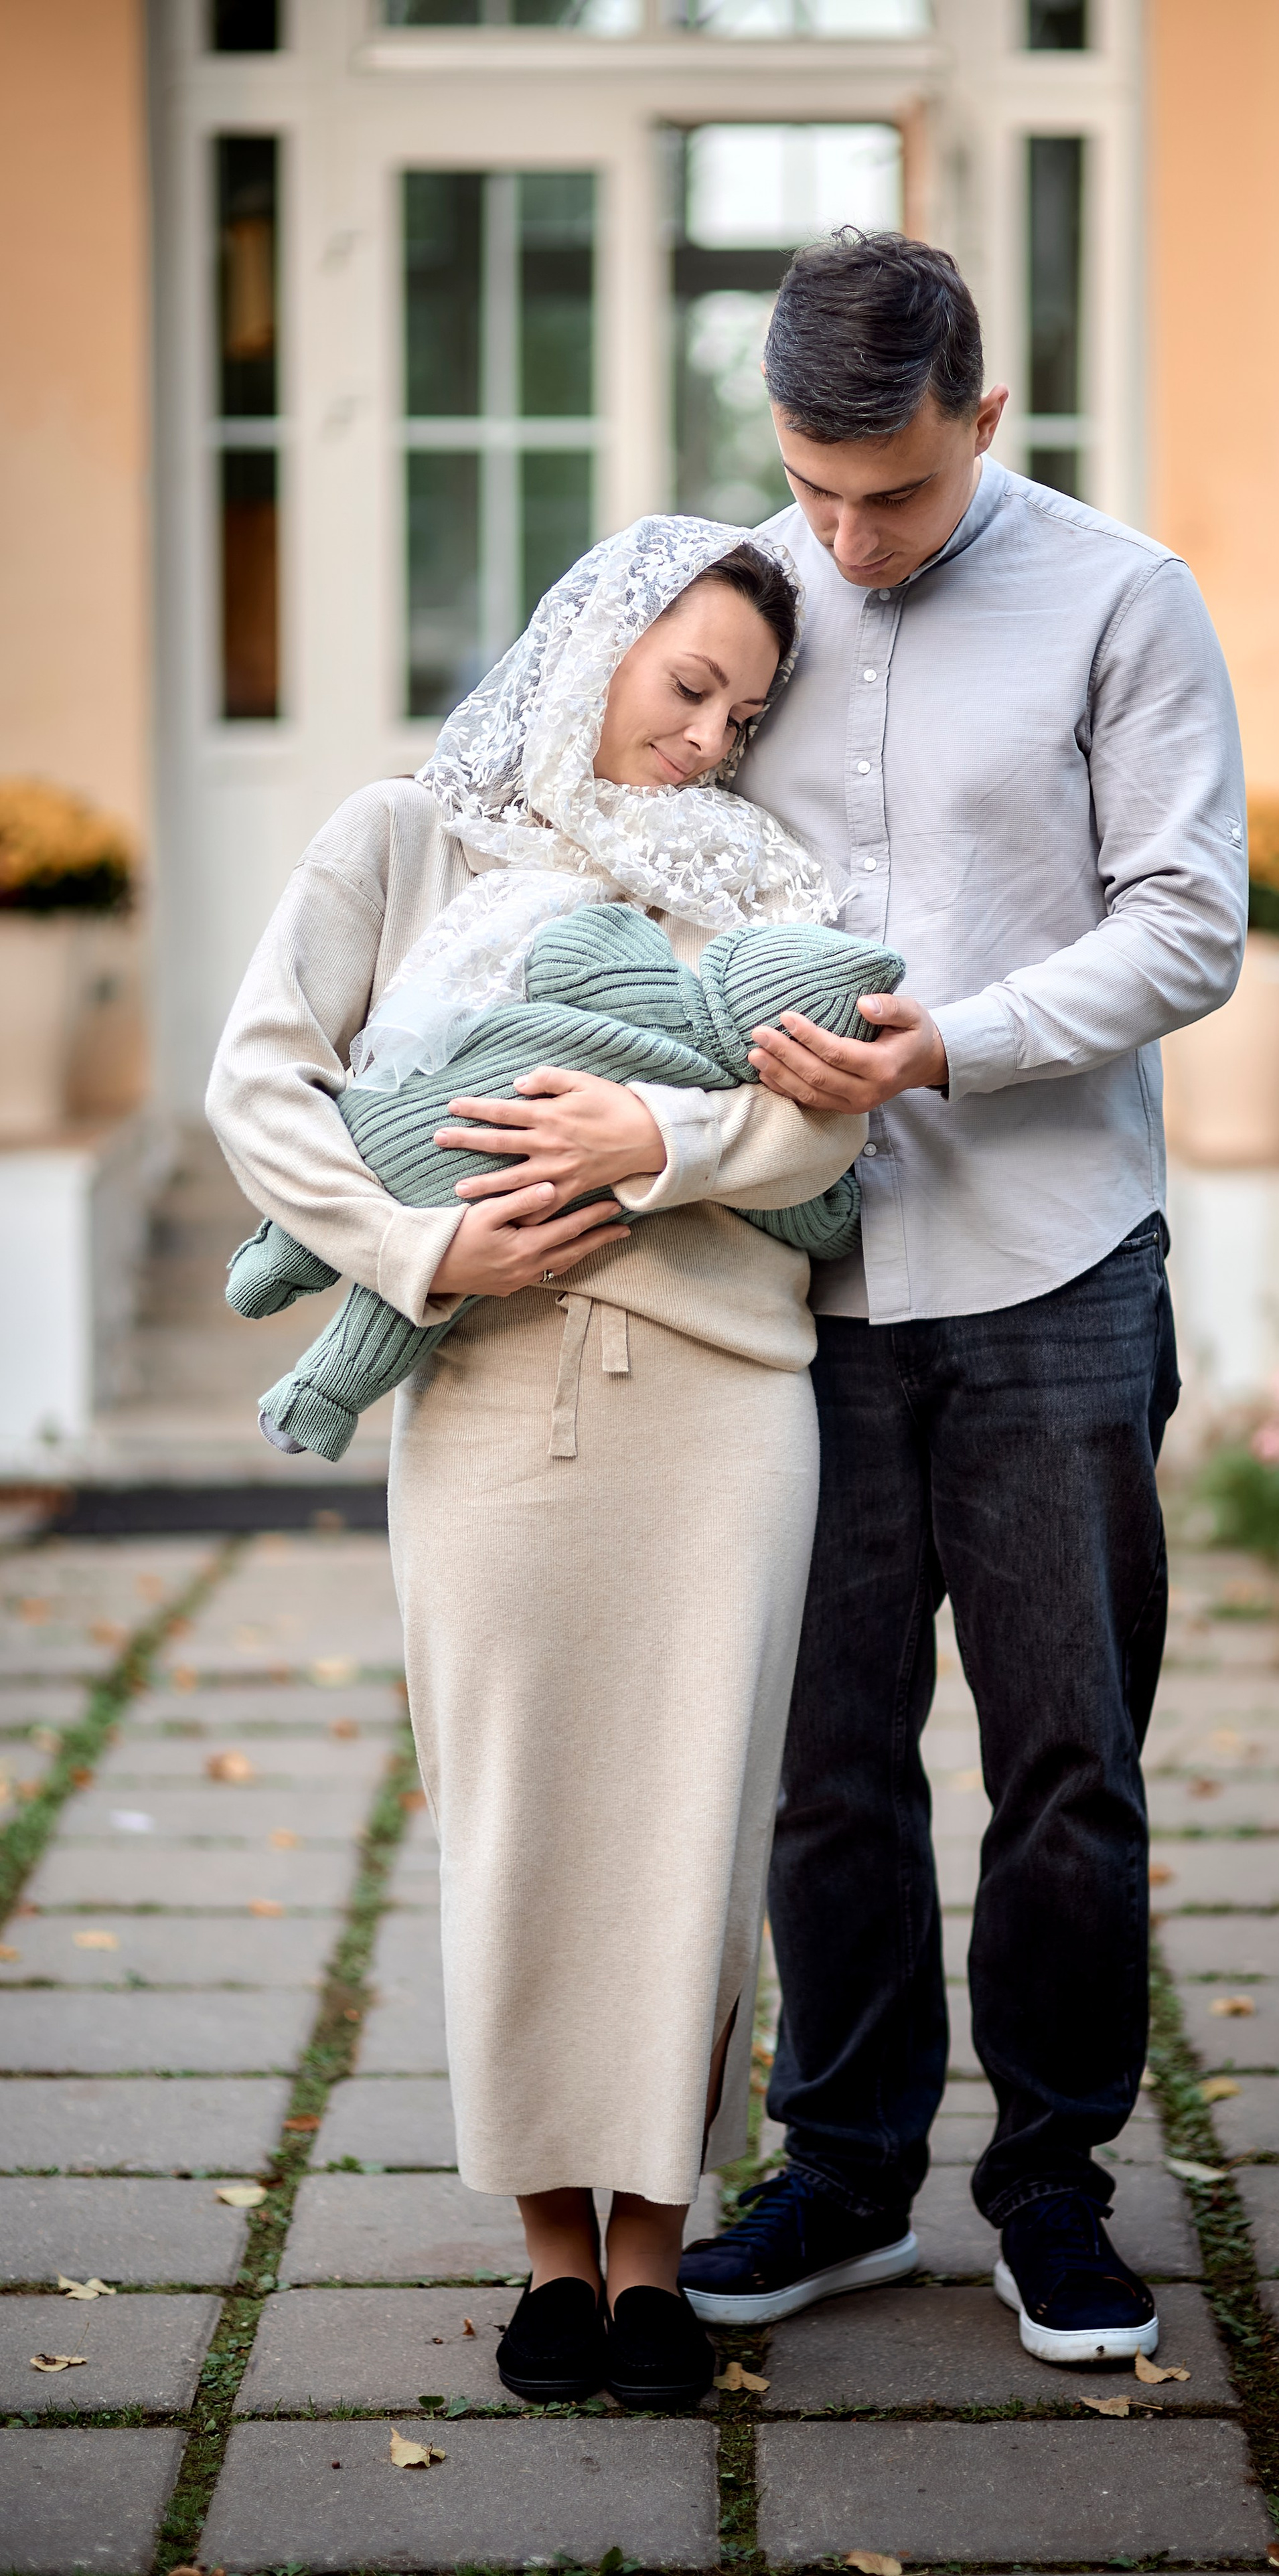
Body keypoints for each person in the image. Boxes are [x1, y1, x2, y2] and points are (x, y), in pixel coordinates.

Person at [206, 518, 869, 2412]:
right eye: (687, 687)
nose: (708, 739)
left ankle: (656, 2253)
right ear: (595, 645)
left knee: (690, 1826)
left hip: (727, 1412)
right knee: (512, 1817)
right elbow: (259, 1081)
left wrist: (646, 1136)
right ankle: (549, 2253)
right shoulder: (402, 840)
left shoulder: (763, 885)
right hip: (487, 1409)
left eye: (744, 715)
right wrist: (424, 1253)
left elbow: (823, 1149)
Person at [677, 234, 1248, 2366]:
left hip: (1053, 1267)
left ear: (987, 420)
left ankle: (1056, 2191)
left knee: (1068, 1762)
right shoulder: (726, 593)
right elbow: (618, 846)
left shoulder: (1125, 597)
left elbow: (1191, 925)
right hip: (782, 1282)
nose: (844, 540)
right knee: (821, 1763)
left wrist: (947, 1044)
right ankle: (838, 2173)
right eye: (811, 490)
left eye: (893, 495)